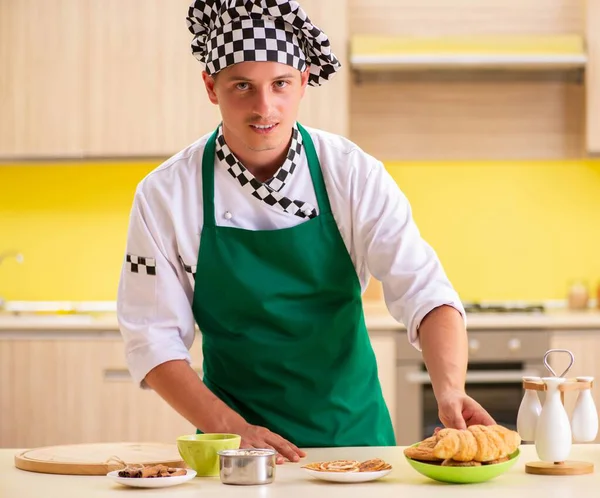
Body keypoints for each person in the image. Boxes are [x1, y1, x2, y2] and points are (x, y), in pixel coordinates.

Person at [117, 0, 494, 465]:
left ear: (304, 82)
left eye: (280, 83)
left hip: (355, 439)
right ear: (211, 87)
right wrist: (233, 431)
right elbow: (152, 339)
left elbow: (426, 292)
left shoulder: (351, 173)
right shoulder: (167, 193)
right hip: (237, 448)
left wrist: (450, 390)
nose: (264, 107)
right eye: (242, 86)